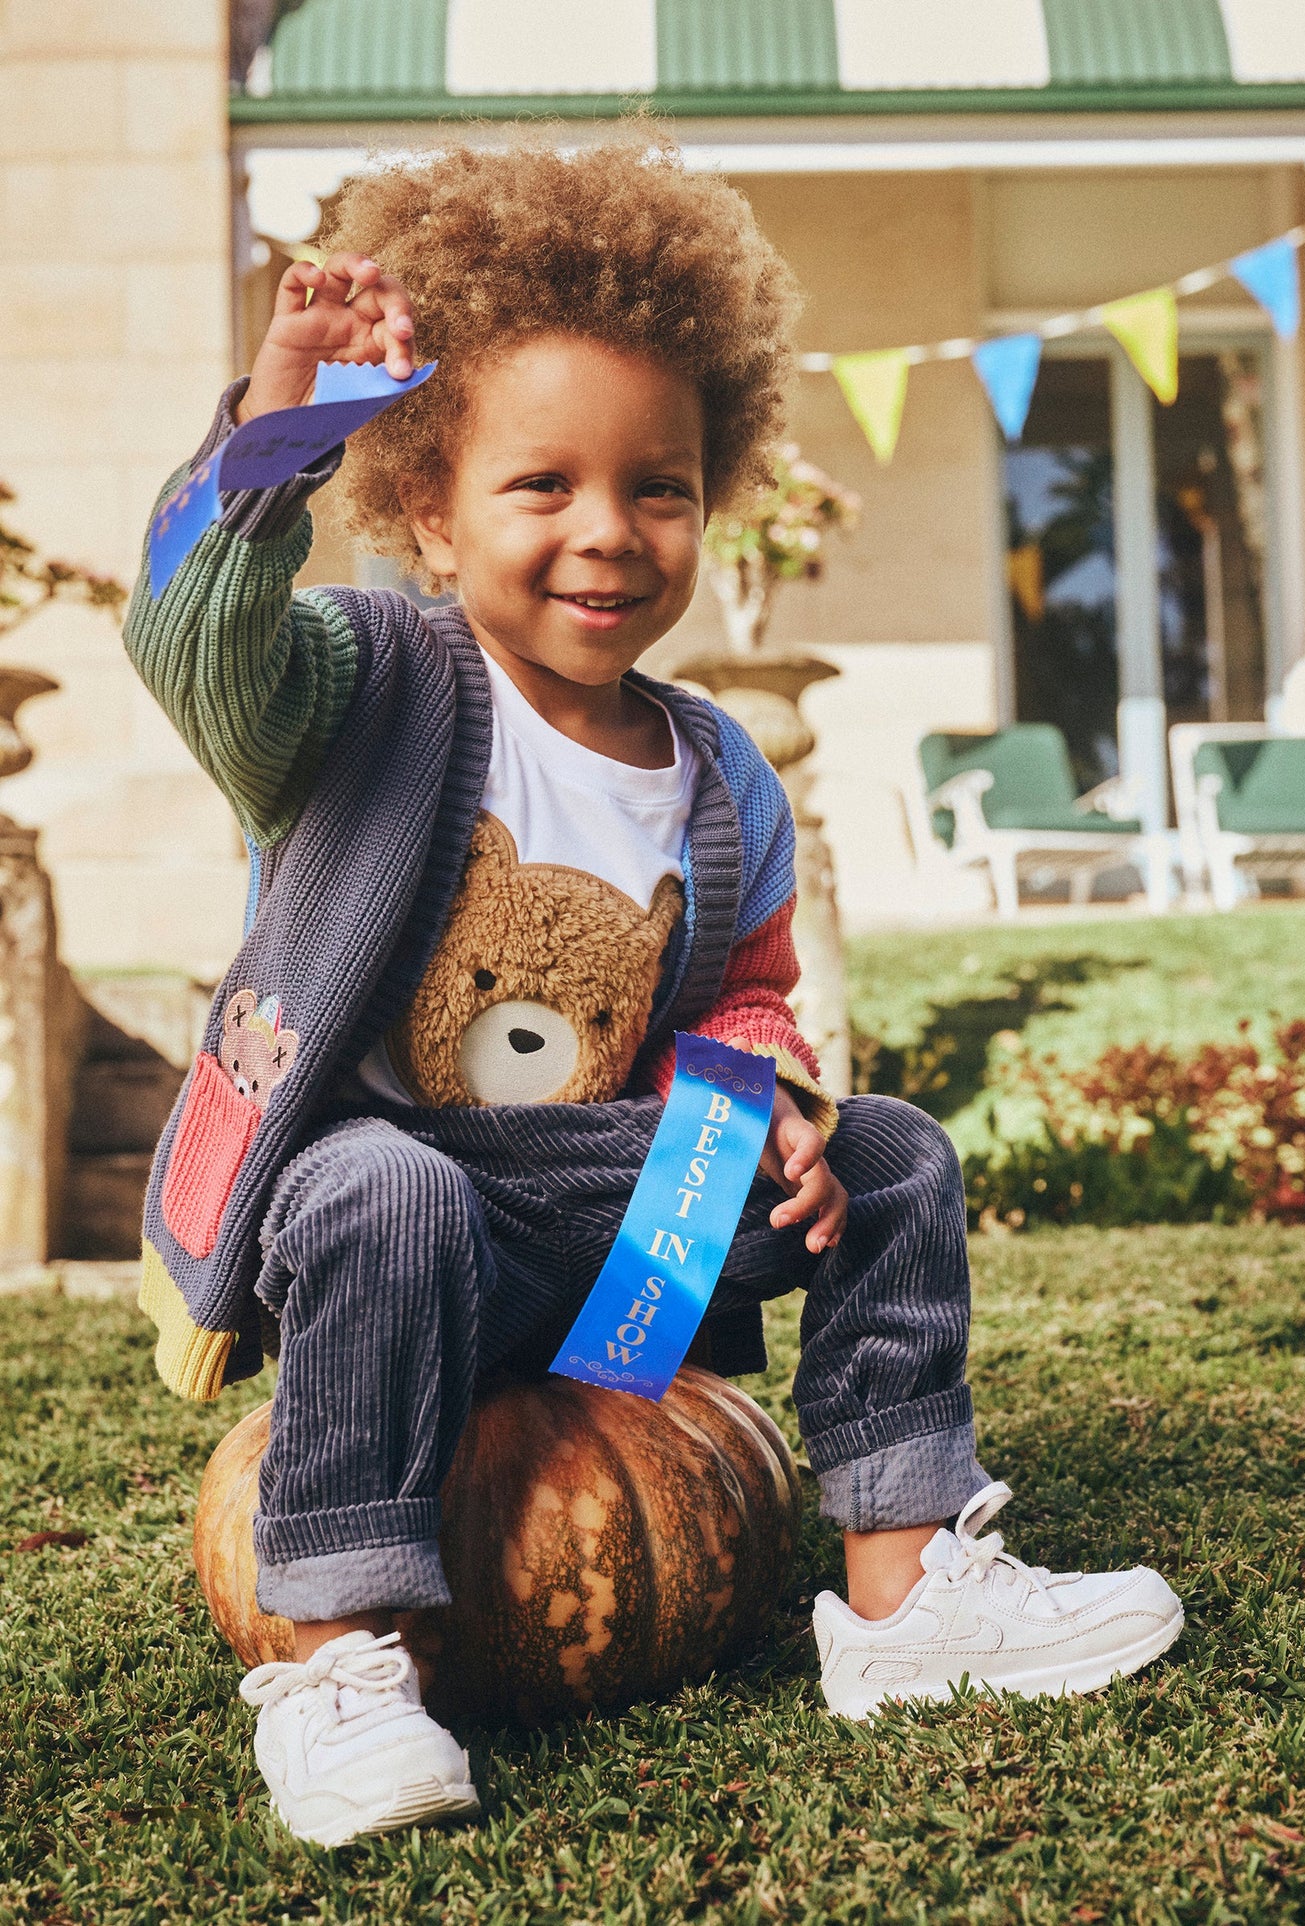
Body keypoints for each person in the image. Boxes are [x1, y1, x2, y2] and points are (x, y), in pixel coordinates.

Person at [124, 135, 1182, 1849]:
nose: (608, 534)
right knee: (380, 1183)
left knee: (898, 1149)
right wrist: (285, 403)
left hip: (625, 1233)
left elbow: (746, 995)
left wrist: (778, 1102)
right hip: (401, 1218)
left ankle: (908, 1596)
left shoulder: (717, 772)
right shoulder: (355, 685)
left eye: (660, 486)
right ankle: (336, 1668)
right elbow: (192, 640)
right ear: (418, 501)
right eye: (541, 486)